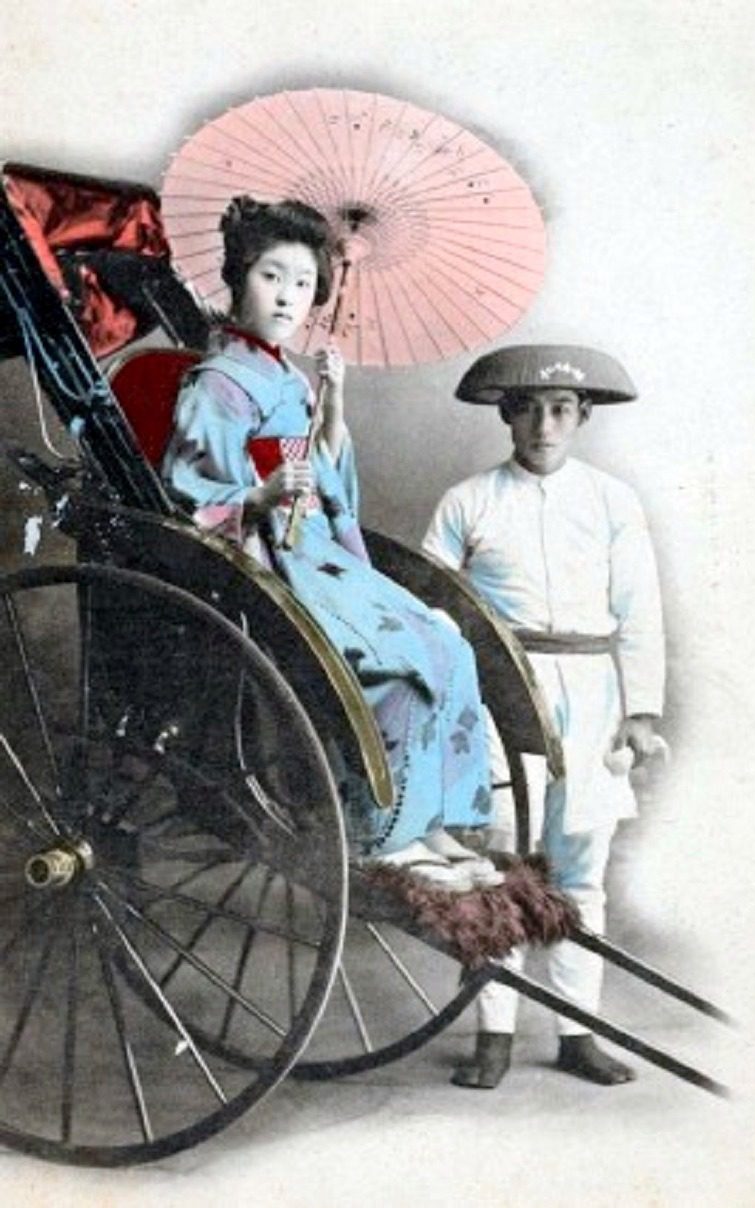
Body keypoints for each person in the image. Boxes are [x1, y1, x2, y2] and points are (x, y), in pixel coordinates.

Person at [162, 195, 502, 892]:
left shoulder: (290, 376)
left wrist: (333, 408)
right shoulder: (218, 383)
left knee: (447, 641)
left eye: (303, 283)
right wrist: (257, 497)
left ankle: (428, 821)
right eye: (271, 276)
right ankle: (381, 835)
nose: (288, 297)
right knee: (397, 665)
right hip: (265, 559)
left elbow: (324, 477)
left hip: (315, 545)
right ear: (238, 276)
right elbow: (189, 495)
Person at [423, 344, 665, 1083]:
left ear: (582, 416)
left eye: (560, 410)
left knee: (578, 865)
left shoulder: (612, 501)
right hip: (504, 690)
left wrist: (642, 713)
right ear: (506, 415)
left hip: (592, 691)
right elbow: (429, 609)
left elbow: (640, 612)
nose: (544, 426)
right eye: (527, 409)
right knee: (503, 860)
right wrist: (446, 699)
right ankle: (494, 1033)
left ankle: (576, 1032)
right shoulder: (469, 500)